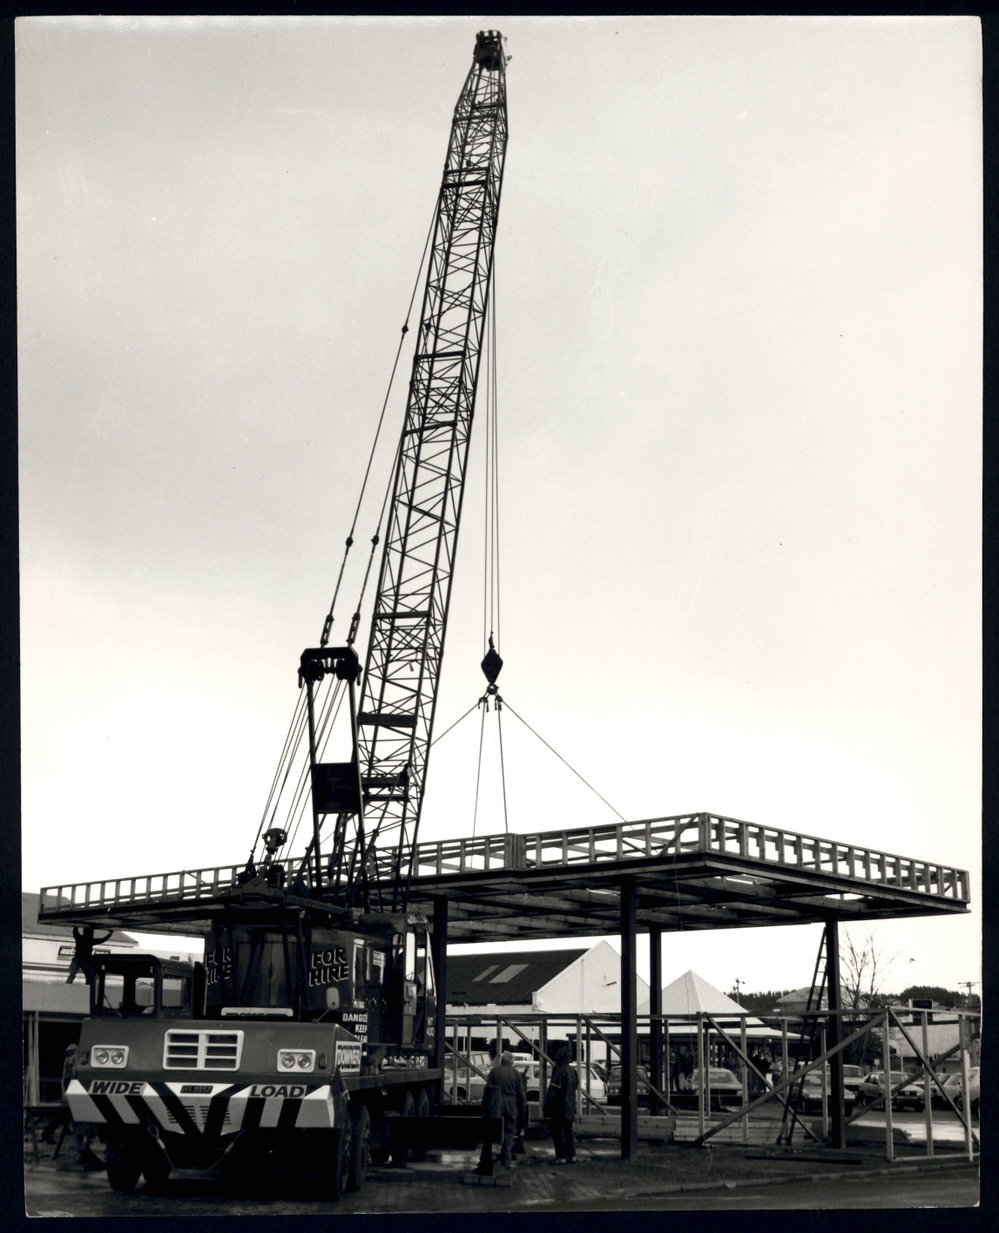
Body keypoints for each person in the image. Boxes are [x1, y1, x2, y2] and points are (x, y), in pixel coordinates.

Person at [477, 1051, 526, 1173]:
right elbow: (522, 1096)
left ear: (502, 1061)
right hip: (511, 1105)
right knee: (508, 1135)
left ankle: (486, 1161)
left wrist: (484, 1109)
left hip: (496, 1104)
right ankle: (505, 1163)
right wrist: (522, 1114)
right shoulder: (516, 1074)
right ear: (511, 1062)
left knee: (491, 1134)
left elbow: (487, 1091)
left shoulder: (494, 1072)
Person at [61, 1045, 102, 1170]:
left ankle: (83, 1150)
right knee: (83, 1127)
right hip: (77, 1098)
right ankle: (83, 1151)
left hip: (73, 1098)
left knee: (81, 1127)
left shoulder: (70, 1061)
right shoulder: (77, 1059)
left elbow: (66, 1080)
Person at [543, 1046, 579, 1165]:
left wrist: (547, 1106)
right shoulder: (573, 1071)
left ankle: (561, 1157)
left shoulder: (559, 1071)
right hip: (570, 1107)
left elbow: (554, 1090)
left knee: (558, 1132)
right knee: (569, 1132)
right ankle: (572, 1156)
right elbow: (576, 1086)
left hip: (559, 1107)